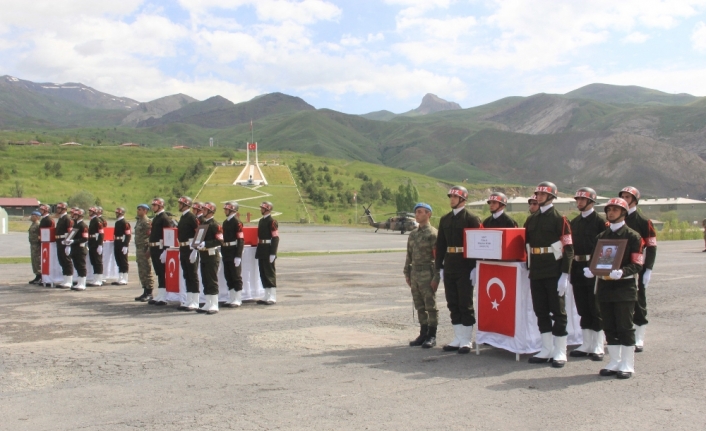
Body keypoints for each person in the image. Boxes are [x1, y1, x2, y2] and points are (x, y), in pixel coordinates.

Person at [584, 197, 643, 379]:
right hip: (605, 287)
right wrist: (591, 269)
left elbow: (638, 263)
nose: (611, 212)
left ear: (624, 212)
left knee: (624, 326)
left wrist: (624, 271)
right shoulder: (601, 237)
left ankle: (627, 363)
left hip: (624, 289)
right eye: (609, 209)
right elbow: (596, 260)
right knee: (609, 325)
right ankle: (615, 361)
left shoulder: (633, 236)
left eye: (615, 210)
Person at [524, 181, 574, 368]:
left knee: (558, 312)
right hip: (536, 270)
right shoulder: (532, 219)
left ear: (552, 196)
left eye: (543, 194)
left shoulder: (560, 220)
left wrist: (564, 274)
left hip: (553, 270)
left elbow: (568, 249)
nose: (539, 197)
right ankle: (546, 348)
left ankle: (560, 350)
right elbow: (526, 245)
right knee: (541, 310)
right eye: (537, 194)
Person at [435, 185, 482, 354]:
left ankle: (466, 340)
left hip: (465, 265)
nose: (451, 200)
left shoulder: (471, 219)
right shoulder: (445, 219)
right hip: (450, 264)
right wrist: (439, 266)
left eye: (455, 197)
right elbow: (440, 245)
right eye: (451, 197)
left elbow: (478, 244)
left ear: (463, 200)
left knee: (465, 302)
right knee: (452, 302)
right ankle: (458, 337)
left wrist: (475, 267)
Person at [568, 187, 607, 361]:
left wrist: (596, 267)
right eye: (578, 199)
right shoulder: (574, 222)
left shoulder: (600, 222)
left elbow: (605, 247)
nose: (579, 202)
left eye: (582, 200)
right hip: (577, 266)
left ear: (591, 202)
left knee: (595, 307)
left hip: (594, 267)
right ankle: (586, 343)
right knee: (582, 307)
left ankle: (598, 344)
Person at [619, 186, 656, 353]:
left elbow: (651, 246)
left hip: (637, 266)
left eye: (628, 197)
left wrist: (648, 269)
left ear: (635, 200)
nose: (625, 199)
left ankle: (639, 335)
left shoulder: (643, 221)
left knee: (638, 300)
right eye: (623, 196)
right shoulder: (619, 218)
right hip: (620, 267)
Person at [404, 203, 441, 348]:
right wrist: (407, 272)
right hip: (415, 273)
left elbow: (438, 258)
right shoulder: (413, 234)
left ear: (428, 214)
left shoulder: (433, 234)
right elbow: (409, 255)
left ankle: (432, 335)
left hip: (428, 272)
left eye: (420, 212)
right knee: (419, 305)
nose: (417, 215)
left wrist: (437, 277)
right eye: (416, 212)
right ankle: (423, 332)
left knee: (430, 305)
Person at [195, 202, 223, 314]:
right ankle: (208, 302)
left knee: (212, 279)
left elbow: (220, 240)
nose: (203, 211)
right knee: (205, 279)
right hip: (204, 254)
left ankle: (214, 304)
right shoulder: (203, 223)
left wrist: (206, 243)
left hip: (212, 254)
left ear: (211, 212)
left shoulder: (215, 225)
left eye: (205, 210)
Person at [175, 196, 201, 311]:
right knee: (187, 275)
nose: (179, 205)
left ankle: (195, 301)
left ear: (186, 204)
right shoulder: (183, 217)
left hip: (190, 248)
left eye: (180, 203)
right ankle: (189, 299)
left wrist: (195, 249)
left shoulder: (191, 217)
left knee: (193, 275)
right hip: (184, 248)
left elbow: (199, 233)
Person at [222, 201, 245, 308]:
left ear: (233, 210)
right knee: (228, 275)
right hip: (226, 250)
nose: (225, 211)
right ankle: (231, 297)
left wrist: (238, 255)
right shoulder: (225, 222)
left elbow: (240, 239)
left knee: (236, 275)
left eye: (227, 209)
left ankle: (238, 298)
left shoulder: (237, 222)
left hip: (233, 250)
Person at [256, 201, 279, 305]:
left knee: (269, 273)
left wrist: (273, 253)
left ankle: (272, 296)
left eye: (262, 208)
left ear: (267, 209)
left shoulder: (272, 221)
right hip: (262, 248)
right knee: (263, 273)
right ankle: (266, 294)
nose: (261, 209)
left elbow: (275, 237)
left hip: (268, 249)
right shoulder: (261, 221)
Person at [148, 198, 170, 306]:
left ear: (160, 206)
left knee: (162, 272)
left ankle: (164, 296)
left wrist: (166, 249)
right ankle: (161, 294)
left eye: (154, 205)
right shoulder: (157, 218)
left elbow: (168, 235)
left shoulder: (164, 218)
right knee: (158, 272)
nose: (153, 207)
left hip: (160, 248)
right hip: (154, 248)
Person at [134, 204, 154, 302]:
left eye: (140, 209)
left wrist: (149, 250)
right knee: (141, 271)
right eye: (138, 209)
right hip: (139, 248)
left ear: (145, 211)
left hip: (144, 248)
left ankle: (149, 292)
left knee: (147, 270)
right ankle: (145, 290)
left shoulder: (147, 222)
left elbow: (150, 237)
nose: (138, 211)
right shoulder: (139, 221)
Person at [68, 208, 89, 291]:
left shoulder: (83, 226)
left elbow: (85, 238)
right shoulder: (76, 225)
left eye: (76, 215)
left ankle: (82, 283)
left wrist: (74, 241)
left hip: (80, 248)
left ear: (80, 216)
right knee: (77, 265)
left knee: (81, 266)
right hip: (75, 248)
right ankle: (79, 282)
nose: (74, 216)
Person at [55, 202, 74, 288]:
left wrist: (68, 245)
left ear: (64, 209)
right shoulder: (61, 218)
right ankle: (65, 279)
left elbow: (71, 232)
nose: (58, 209)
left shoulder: (67, 219)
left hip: (64, 241)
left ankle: (69, 280)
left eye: (59, 208)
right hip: (59, 241)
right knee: (62, 261)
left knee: (67, 261)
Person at [86, 206, 106, 287]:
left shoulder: (97, 221)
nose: (89, 212)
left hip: (96, 243)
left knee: (98, 262)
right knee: (93, 261)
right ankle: (95, 278)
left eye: (91, 211)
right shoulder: (92, 220)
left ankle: (99, 279)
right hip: (92, 242)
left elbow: (101, 233)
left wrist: (100, 244)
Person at [111, 207, 131, 286]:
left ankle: (125, 278)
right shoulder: (117, 222)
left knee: (123, 261)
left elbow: (128, 235)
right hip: (117, 242)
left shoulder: (125, 222)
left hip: (122, 243)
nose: (116, 214)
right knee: (118, 260)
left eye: (118, 213)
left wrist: (126, 245)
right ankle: (120, 277)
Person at [28, 211, 42, 284]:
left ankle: (40, 275)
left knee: (37, 260)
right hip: (33, 244)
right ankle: (37, 275)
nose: (31, 217)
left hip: (37, 245)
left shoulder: (38, 224)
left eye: (33, 216)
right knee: (34, 261)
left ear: (37, 217)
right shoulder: (33, 224)